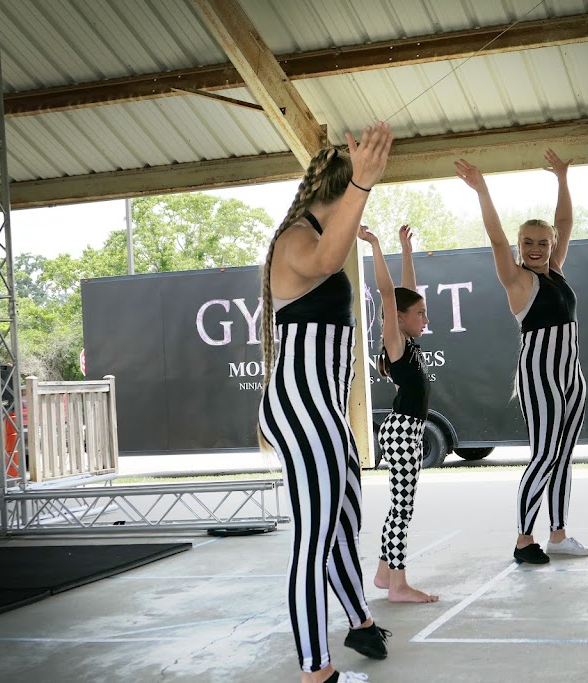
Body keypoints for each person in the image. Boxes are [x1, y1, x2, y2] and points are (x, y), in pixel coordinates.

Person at [258, 121, 393, 683]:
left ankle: (360, 621)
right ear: (339, 189)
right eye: (352, 193)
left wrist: (360, 186)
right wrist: (364, 183)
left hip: (323, 407)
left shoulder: (316, 233)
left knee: (343, 525)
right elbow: (328, 260)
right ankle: (316, 669)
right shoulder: (297, 238)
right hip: (302, 407)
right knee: (312, 544)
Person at [454, 150, 588, 565]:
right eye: (528, 242)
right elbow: (496, 238)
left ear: (552, 246)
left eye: (543, 242)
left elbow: (564, 222)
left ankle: (559, 535)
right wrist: (482, 190)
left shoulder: (557, 270)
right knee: (545, 455)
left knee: (563, 457)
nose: (536, 248)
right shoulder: (517, 279)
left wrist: (562, 178)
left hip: (571, 375)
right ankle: (523, 540)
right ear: (520, 245)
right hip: (539, 375)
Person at [358, 224, 439, 604]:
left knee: (399, 507)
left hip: (407, 431)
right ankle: (398, 585)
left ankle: (382, 573)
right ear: (400, 318)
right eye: (421, 314)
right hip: (402, 432)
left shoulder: (406, 340)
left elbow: (405, 292)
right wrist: (375, 244)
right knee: (401, 510)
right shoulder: (396, 344)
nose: (426, 319)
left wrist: (406, 250)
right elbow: (390, 295)